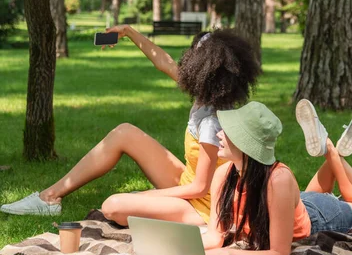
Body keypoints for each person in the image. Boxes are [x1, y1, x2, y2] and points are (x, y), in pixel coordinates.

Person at [1, 26, 260, 224]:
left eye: (193, 57)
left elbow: (200, 188)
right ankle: (49, 198)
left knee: (113, 205)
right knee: (125, 132)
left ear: (203, 70)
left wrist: (143, 197)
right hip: (190, 184)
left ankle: (195, 227)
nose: (187, 60)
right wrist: (127, 32)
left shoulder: (212, 121)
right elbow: (164, 62)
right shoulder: (207, 94)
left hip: (205, 207)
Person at [202, 99, 352, 255]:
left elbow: (279, 253)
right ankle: (327, 148)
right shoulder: (223, 174)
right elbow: (215, 237)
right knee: (311, 197)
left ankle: (331, 151)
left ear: (245, 144)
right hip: (291, 205)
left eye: (227, 131)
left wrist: (227, 254)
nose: (218, 134)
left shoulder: (279, 180)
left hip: (320, 217)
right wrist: (180, 247)